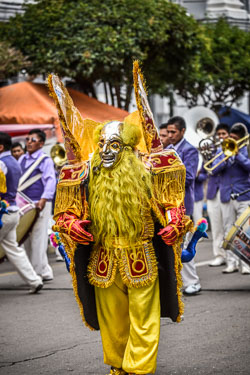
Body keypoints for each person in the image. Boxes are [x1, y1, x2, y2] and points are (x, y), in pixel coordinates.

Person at [49, 70, 197, 375]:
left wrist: (174, 224)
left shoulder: (150, 171)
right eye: (102, 143)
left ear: (128, 150)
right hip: (102, 260)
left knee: (144, 320)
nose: (105, 150)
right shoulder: (85, 173)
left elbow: (173, 205)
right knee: (112, 322)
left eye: (113, 145)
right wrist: (71, 223)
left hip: (141, 257)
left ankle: (138, 370)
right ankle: (118, 367)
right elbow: (64, 212)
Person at [0, 132, 43, 293]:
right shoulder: (13, 162)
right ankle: (34, 280)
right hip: (13, 211)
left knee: (14, 249)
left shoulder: (1, 164)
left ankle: (35, 280)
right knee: (14, 250)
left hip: (3, 213)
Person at [162, 116, 201, 295]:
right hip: (167, 205)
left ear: (182, 131)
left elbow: (190, 177)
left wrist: (166, 177)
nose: (169, 135)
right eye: (168, 132)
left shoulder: (190, 150)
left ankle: (193, 282)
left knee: (184, 246)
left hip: (183, 204)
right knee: (170, 245)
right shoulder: (166, 150)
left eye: (173, 132)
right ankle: (175, 283)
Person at [211, 123, 250, 274]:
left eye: (235, 138)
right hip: (226, 194)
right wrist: (226, 159)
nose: (231, 140)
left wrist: (238, 154)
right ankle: (231, 263)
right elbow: (213, 170)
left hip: (243, 194)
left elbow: (248, 167)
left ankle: (246, 264)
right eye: (230, 137)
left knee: (244, 231)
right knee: (228, 229)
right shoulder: (221, 150)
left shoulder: (245, 149)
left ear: (240, 138)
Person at [18, 129, 56, 281]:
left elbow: (50, 181)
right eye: (27, 139)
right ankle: (44, 271)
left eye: (33, 140)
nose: (29, 142)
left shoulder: (45, 160)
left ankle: (37, 273)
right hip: (24, 204)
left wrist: (44, 199)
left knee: (38, 239)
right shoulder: (21, 160)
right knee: (25, 237)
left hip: (40, 203)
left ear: (41, 143)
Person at [207, 124, 229, 267]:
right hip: (213, 191)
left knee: (228, 224)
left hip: (227, 191)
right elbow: (211, 169)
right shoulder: (213, 150)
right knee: (216, 225)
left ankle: (231, 257)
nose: (221, 137)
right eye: (219, 134)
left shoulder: (234, 149)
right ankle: (219, 255)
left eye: (223, 134)